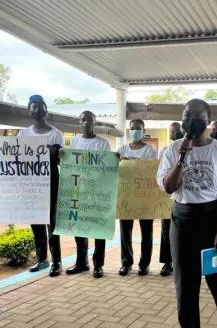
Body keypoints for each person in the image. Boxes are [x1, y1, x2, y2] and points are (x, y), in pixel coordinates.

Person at [157, 99, 217, 328]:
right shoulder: (172, 150)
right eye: (186, 114)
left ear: (208, 118)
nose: (190, 118)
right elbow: (169, 188)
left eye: (196, 115)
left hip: (214, 221)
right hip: (183, 221)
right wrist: (183, 156)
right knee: (186, 285)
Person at [19, 95, 64, 277]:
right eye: (32, 107)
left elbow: (61, 158)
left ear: (45, 108)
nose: (36, 110)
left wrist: (56, 152)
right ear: (29, 111)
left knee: (52, 224)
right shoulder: (23, 134)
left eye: (39, 106)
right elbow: (17, 158)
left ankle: (57, 261)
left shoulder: (56, 134)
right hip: (32, 184)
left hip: (51, 182)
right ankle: (42, 259)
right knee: (36, 223)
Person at [65, 111, 111, 278]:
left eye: (89, 120)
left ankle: (98, 265)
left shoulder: (102, 144)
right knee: (79, 229)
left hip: (96, 192)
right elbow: (71, 163)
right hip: (78, 191)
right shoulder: (75, 141)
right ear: (80, 122)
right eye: (83, 119)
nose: (86, 122)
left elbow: (107, 168)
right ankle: (81, 262)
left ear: (94, 122)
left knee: (98, 229)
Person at [117, 119, 156, 276]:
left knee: (146, 231)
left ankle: (144, 264)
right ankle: (126, 263)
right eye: (132, 128)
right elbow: (116, 171)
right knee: (125, 231)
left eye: (138, 129)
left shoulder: (150, 150)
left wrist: (131, 164)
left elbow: (151, 171)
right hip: (126, 196)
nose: (135, 131)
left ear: (143, 130)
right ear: (129, 130)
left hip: (144, 196)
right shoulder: (121, 149)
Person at [158, 122, 184, 277]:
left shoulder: (189, 147)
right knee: (166, 231)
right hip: (166, 198)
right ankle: (167, 262)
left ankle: (181, 262)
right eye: (171, 132)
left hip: (183, 199)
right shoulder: (164, 150)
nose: (174, 134)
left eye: (176, 131)